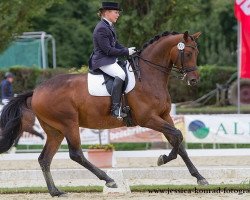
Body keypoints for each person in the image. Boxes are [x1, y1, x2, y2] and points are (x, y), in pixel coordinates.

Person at [89, 1, 136, 119]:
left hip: (110, 59)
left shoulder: (109, 26)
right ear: (107, 12)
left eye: (118, 12)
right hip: (102, 60)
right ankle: (115, 109)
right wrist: (126, 52)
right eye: (116, 12)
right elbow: (108, 50)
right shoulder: (101, 28)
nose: (118, 15)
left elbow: (116, 44)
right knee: (121, 75)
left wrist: (128, 50)